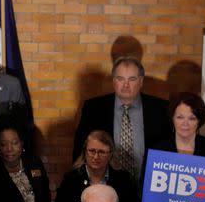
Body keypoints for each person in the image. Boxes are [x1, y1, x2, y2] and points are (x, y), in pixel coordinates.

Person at [72, 56, 170, 186]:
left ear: (141, 81)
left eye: (132, 79)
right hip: (106, 189)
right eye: (120, 79)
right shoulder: (94, 108)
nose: (126, 85)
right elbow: (80, 151)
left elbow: (169, 151)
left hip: (150, 187)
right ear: (113, 81)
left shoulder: (161, 109)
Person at [54, 130, 138, 202]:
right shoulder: (71, 179)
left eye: (101, 152)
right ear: (85, 152)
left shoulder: (123, 180)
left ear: (110, 155)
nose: (96, 157)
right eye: (92, 151)